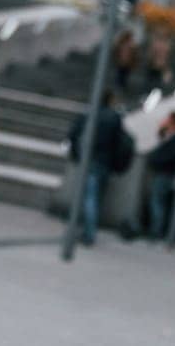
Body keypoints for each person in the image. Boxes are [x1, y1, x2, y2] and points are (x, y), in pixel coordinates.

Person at [68, 90, 128, 245]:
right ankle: (88, 231)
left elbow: (74, 134)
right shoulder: (114, 118)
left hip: (90, 160)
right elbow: (119, 143)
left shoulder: (90, 114)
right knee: (95, 198)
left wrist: (76, 154)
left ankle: (87, 232)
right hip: (104, 162)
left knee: (89, 197)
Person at [145, 110, 175, 241]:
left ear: (174, 121)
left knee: (157, 202)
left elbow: (167, 155)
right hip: (167, 173)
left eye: (169, 119)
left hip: (165, 173)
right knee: (160, 202)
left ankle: (156, 231)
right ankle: (158, 229)